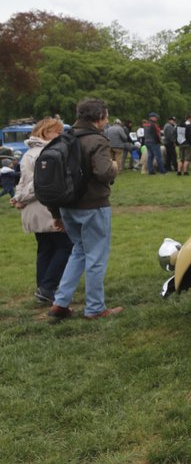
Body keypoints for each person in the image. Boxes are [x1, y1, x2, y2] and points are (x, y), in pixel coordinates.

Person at [47, 98, 122, 320]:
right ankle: (95, 308)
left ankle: (60, 303)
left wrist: (55, 213)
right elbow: (103, 172)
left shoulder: (64, 138)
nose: (107, 120)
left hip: (67, 206)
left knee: (78, 252)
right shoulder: (97, 140)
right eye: (106, 116)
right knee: (96, 257)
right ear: (98, 118)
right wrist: (115, 166)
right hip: (93, 205)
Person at [10, 117, 73, 305]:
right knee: (64, 246)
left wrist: (18, 197)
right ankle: (48, 287)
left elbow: (23, 182)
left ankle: (43, 287)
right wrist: (21, 198)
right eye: (57, 131)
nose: (61, 135)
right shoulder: (46, 153)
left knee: (45, 249)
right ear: (46, 132)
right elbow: (40, 185)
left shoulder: (29, 152)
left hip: (34, 209)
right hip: (45, 208)